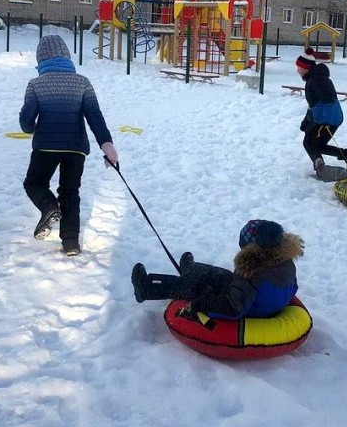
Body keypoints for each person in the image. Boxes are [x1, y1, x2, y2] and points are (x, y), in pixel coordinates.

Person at [19, 35, 118, 256]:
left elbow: (26, 123)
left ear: (40, 60)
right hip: (76, 148)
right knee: (70, 192)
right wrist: (107, 145)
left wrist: (32, 128)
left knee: (34, 183)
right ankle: (71, 243)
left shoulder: (35, 84)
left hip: (45, 146)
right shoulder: (83, 82)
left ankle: (48, 207)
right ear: (66, 56)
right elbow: (95, 116)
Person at [131, 220, 304, 320]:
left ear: (252, 250)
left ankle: (146, 288)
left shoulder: (252, 272)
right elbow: (292, 289)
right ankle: (191, 269)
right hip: (257, 299)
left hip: (250, 310)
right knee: (222, 276)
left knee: (196, 288)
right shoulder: (286, 262)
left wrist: (202, 302)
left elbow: (232, 308)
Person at [296, 47, 347, 175]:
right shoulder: (319, 77)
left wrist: (309, 121)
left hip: (324, 119)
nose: (297, 70)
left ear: (306, 67)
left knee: (308, 142)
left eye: (299, 67)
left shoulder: (314, 80)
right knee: (319, 145)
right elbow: (314, 103)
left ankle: (320, 168)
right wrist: (306, 121)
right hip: (335, 118)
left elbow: (322, 101)